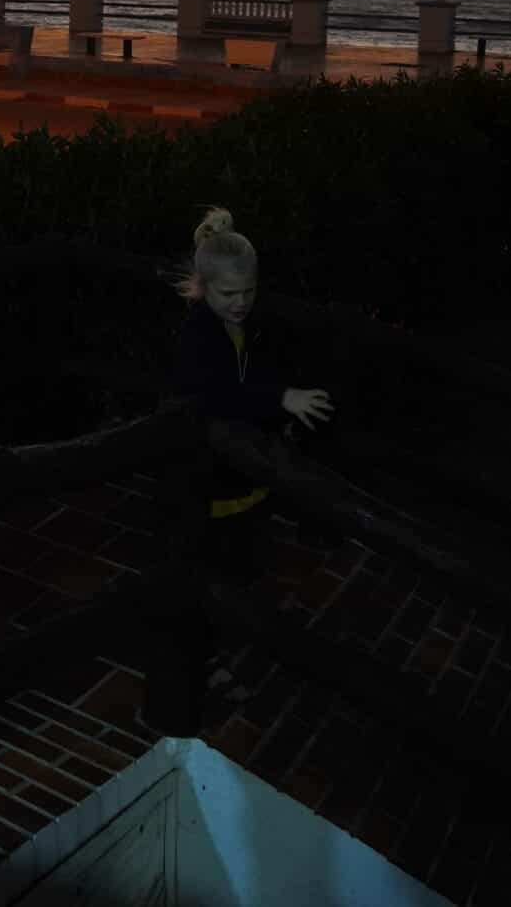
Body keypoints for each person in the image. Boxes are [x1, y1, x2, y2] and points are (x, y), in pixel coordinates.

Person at [170, 206, 334, 696]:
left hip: (240, 474)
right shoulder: (197, 337)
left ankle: (215, 643)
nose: (240, 302)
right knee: (204, 569)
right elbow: (215, 393)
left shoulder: (246, 327)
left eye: (248, 292)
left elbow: (253, 376)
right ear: (203, 286)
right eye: (228, 294)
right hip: (206, 477)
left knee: (236, 566)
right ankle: (200, 660)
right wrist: (280, 399)